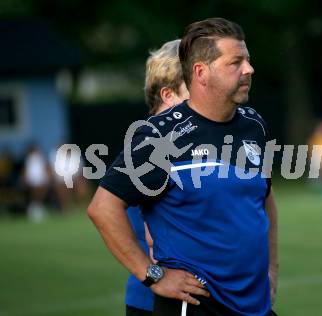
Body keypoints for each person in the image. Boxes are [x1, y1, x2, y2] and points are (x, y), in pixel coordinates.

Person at [88, 17, 278, 316]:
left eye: (248, 61)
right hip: (194, 305)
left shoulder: (254, 125)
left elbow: (264, 200)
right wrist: (153, 276)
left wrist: (271, 267)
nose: (249, 69)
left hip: (254, 305)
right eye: (236, 62)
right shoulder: (159, 136)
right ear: (201, 72)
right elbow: (103, 207)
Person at [125, 39, 190, 316]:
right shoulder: (153, 143)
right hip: (157, 301)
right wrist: (154, 277)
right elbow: (103, 212)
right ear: (168, 95)